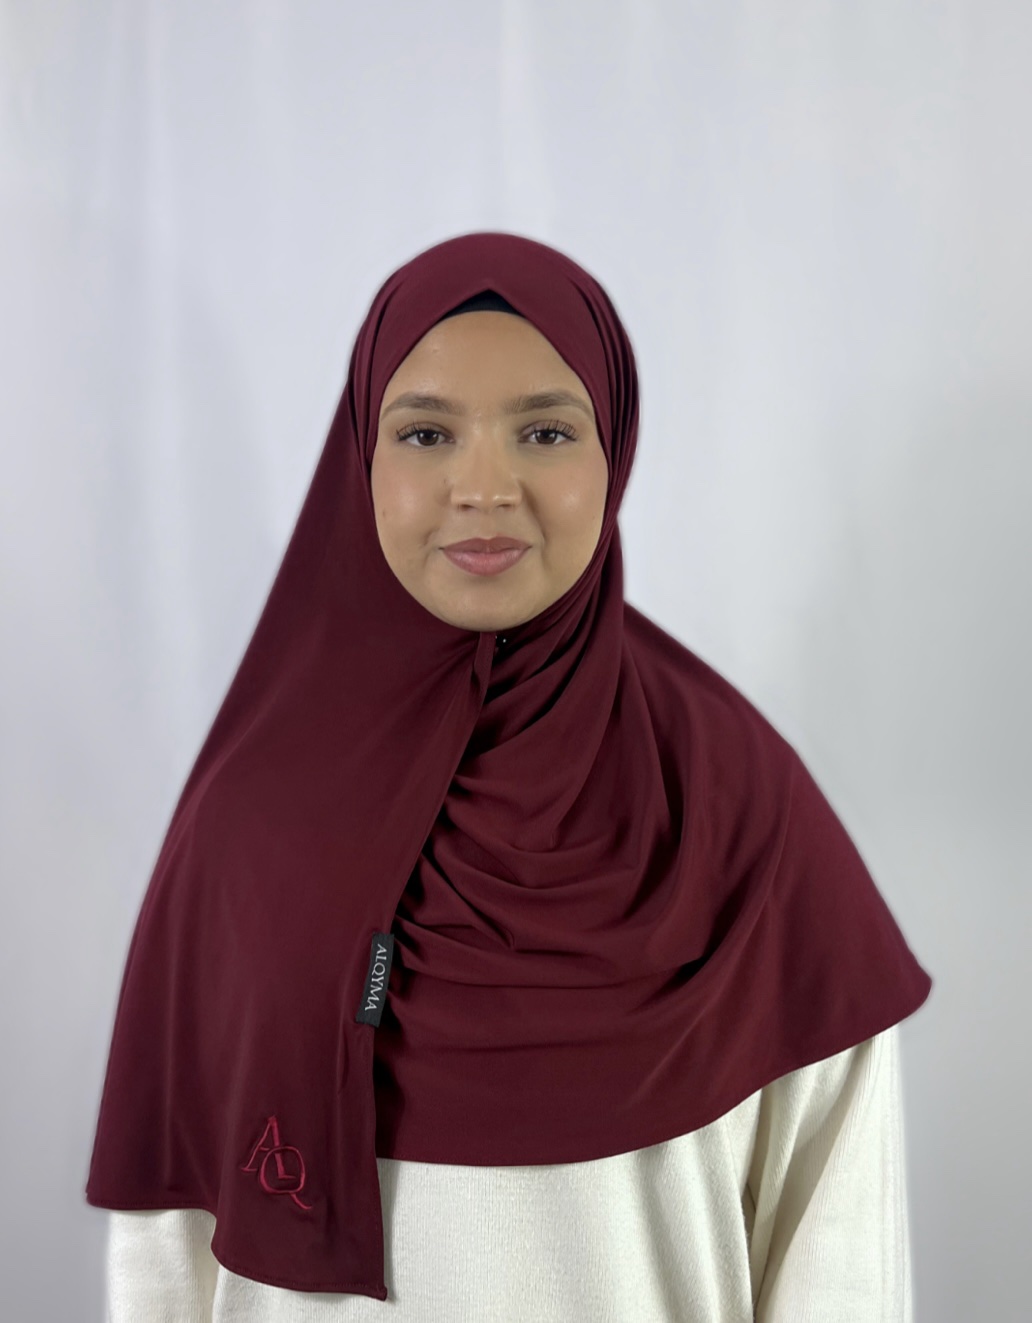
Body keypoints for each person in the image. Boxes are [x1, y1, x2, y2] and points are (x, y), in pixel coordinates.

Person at [87, 233, 932, 1321]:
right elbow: (167, 1254)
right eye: (426, 433)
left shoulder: (735, 808)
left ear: (614, 450)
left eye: (544, 430)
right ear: (361, 458)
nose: (484, 487)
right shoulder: (250, 825)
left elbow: (843, 1252)